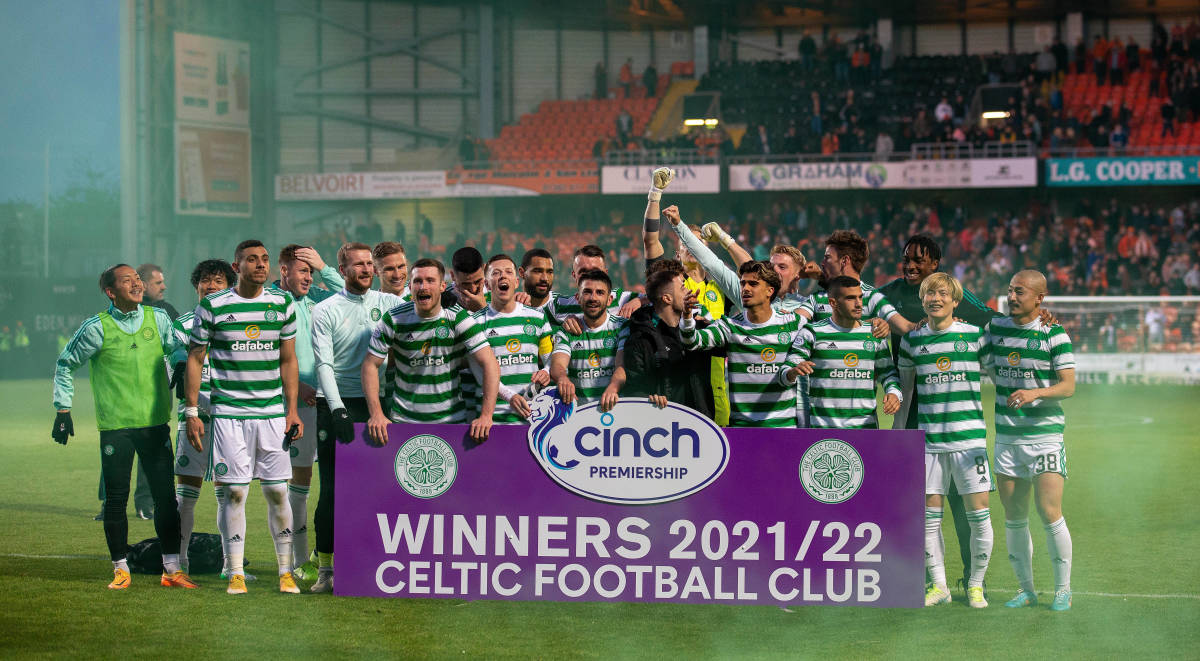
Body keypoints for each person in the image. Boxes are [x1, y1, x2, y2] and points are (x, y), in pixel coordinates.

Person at [879, 234, 1006, 598]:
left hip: (960, 424)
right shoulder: (890, 297)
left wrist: (1031, 320)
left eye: (919, 259)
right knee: (920, 507)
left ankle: (972, 579)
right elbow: (858, 298)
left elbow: (994, 321)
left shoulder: (961, 310)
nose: (911, 264)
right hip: (918, 418)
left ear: (936, 264)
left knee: (967, 508)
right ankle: (928, 580)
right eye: (906, 257)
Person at [53, 264, 192, 589]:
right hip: (116, 428)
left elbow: (176, 346)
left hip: (155, 424)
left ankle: (171, 570)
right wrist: (63, 408)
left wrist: (180, 361)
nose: (137, 283)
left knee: (165, 499)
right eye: (127, 280)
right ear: (110, 291)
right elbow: (65, 363)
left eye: (137, 278)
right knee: (116, 499)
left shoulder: (157, 318)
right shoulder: (96, 328)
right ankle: (121, 569)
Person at [184, 239, 304, 595]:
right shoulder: (213, 306)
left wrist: (292, 410)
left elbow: (288, 360)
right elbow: (195, 358)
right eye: (252, 260)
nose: (260, 265)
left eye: (265, 259)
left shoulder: (282, 303)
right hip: (229, 415)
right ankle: (234, 570)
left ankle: (285, 572)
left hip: (271, 415)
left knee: (278, 493)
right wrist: (192, 410)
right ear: (236, 267)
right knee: (235, 493)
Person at [309, 242, 407, 593]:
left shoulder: (391, 304)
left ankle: (371, 563)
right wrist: (336, 409)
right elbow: (324, 364)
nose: (366, 270)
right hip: (336, 404)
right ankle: (325, 570)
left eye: (369, 264)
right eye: (358, 265)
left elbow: (431, 309)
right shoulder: (325, 310)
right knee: (333, 490)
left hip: (376, 405)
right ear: (344, 269)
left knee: (378, 489)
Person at [894, 272, 994, 609]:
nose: (934, 298)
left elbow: (1000, 373)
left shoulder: (975, 336)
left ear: (954, 300)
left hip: (970, 444)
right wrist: (897, 439)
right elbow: (907, 395)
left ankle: (976, 585)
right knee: (928, 518)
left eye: (941, 293)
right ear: (922, 300)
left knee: (978, 515)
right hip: (930, 444)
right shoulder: (912, 342)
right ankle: (939, 586)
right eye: (928, 293)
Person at [987, 270, 1076, 612]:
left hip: (1045, 437)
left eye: (1019, 292)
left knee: (1049, 511)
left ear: (1039, 298)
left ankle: (1063, 590)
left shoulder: (1054, 334)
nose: (1011, 297)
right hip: (1008, 438)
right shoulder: (995, 329)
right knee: (1014, 514)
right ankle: (1026, 590)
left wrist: (1036, 392)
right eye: (1009, 290)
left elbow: (1068, 385)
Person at [362, 258, 500, 444]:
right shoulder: (393, 319)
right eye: (418, 281)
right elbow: (370, 365)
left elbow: (489, 361)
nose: (423, 286)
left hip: (450, 422)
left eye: (430, 280)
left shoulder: (457, 318)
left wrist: (486, 415)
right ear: (410, 286)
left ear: (443, 286)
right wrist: (376, 414)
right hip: (404, 421)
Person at [272, 245, 342, 580]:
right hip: (292, 405)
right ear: (283, 270)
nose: (309, 278)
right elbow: (265, 352)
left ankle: (310, 560)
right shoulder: (269, 301)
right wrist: (297, 386)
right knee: (294, 483)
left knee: (322, 483)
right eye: (303, 271)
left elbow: (357, 294)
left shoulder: (319, 296)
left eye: (311, 272)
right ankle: (296, 562)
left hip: (326, 401)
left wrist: (324, 267)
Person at [642, 171, 733, 423]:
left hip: (712, 372)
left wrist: (726, 240)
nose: (692, 246)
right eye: (686, 242)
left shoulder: (721, 284)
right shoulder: (670, 279)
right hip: (675, 366)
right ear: (678, 252)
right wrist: (655, 195)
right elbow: (650, 241)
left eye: (698, 241)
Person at [170, 259, 238, 578]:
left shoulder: (239, 325)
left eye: (219, 281)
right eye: (206, 281)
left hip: (230, 421)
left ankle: (230, 565)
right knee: (185, 496)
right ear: (196, 286)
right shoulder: (182, 326)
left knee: (230, 494)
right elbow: (173, 363)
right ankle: (179, 561)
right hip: (194, 420)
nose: (211, 286)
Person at [681, 261, 802, 427]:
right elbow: (692, 342)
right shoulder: (730, 326)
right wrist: (687, 317)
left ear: (770, 290)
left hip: (783, 426)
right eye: (743, 283)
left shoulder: (792, 323)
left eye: (753, 284)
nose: (745, 288)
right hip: (743, 429)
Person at [779, 276, 902, 429]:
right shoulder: (812, 332)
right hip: (822, 428)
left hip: (865, 428)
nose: (858, 304)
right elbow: (785, 373)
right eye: (850, 298)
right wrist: (792, 373)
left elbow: (889, 374)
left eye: (860, 297)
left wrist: (894, 393)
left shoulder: (874, 335)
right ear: (833, 303)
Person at [624, 260, 715, 418]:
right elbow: (634, 387)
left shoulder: (700, 329)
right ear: (667, 299)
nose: (688, 290)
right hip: (661, 427)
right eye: (682, 287)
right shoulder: (641, 339)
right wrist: (648, 399)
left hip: (702, 425)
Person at [467, 254, 552, 421]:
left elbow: (551, 360)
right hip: (492, 420)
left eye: (508, 272)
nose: (503, 276)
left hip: (532, 417)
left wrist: (546, 371)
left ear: (516, 282)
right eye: (496, 273)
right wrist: (510, 396)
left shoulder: (538, 318)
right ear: (487, 284)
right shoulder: (474, 322)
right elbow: (480, 374)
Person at [549, 269, 629, 410]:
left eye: (600, 292)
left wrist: (613, 387)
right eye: (587, 292)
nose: (593, 298)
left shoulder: (622, 326)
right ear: (578, 298)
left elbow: (621, 365)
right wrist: (562, 378)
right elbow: (557, 366)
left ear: (609, 299)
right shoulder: (567, 330)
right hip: (580, 414)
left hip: (615, 411)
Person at [543, 244, 641, 327]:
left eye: (595, 271)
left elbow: (654, 298)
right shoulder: (559, 305)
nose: (590, 276)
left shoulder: (620, 299)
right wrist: (561, 327)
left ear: (605, 274)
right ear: (574, 275)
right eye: (583, 271)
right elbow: (532, 315)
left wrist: (639, 300)